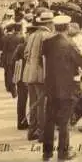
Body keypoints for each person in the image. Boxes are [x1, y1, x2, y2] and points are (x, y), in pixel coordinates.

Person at [41, 15, 82, 162]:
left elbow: (41, 61)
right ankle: (63, 153)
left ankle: (47, 153)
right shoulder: (70, 44)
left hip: (50, 87)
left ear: (55, 27)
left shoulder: (47, 43)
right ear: (67, 27)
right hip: (67, 89)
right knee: (64, 122)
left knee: (49, 119)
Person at [22, 10, 54, 142]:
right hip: (41, 75)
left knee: (33, 103)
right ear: (50, 23)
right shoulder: (48, 36)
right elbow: (48, 58)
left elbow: (25, 54)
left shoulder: (33, 35)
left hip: (29, 74)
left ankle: (32, 132)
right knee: (42, 105)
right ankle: (42, 133)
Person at [13, 25, 38, 130]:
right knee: (34, 100)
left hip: (22, 77)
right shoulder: (37, 47)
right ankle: (34, 124)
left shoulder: (21, 47)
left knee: (22, 100)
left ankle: (21, 122)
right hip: (33, 76)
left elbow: (13, 60)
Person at [1, 23, 25, 98]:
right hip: (19, 59)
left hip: (9, 58)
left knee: (10, 74)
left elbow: (4, 49)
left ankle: (13, 90)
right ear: (20, 29)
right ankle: (17, 90)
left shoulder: (9, 37)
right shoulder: (22, 38)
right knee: (18, 74)